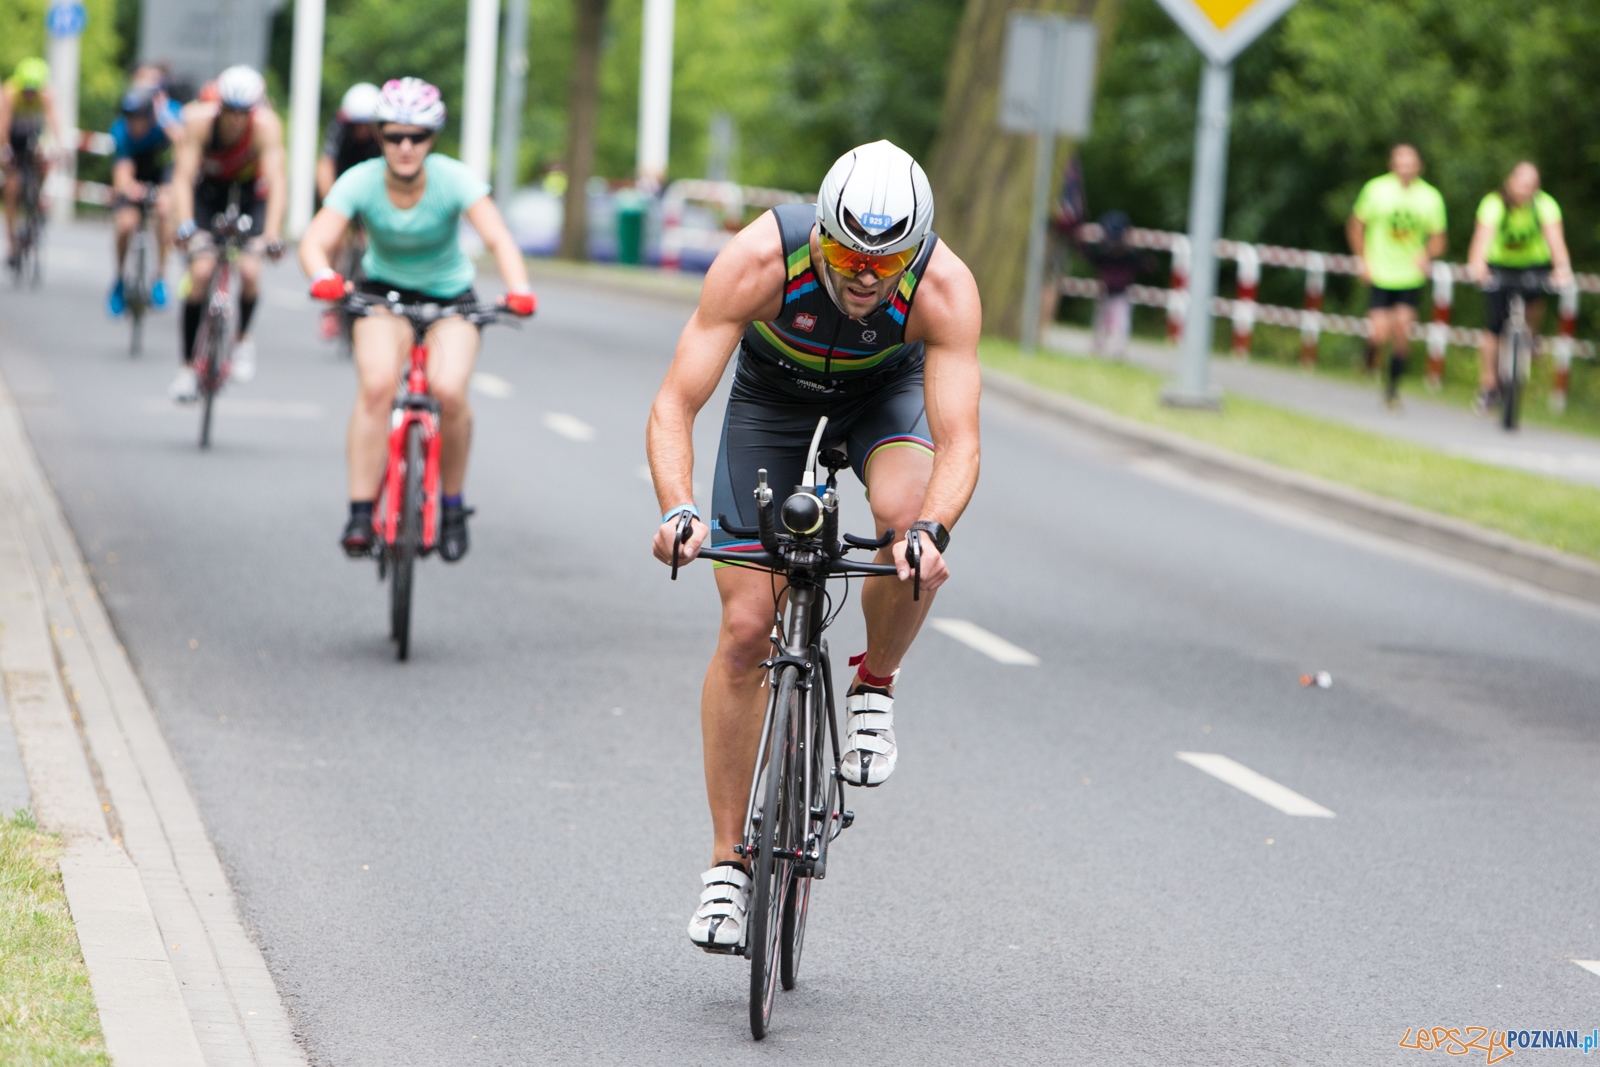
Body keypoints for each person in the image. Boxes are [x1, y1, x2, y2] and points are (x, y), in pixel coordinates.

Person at [645, 140, 982, 952]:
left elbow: (960, 438)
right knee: (744, 627)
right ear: (820, 233)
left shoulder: (942, 287)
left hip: (884, 393)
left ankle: (875, 684)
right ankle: (728, 869)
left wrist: (930, 534)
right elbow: (675, 403)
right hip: (774, 398)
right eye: (848, 253)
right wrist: (680, 509)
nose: (867, 276)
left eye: (887, 259)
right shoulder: (759, 259)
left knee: (906, 525)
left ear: (916, 249)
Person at [297, 77, 536, 563]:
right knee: (379, 386)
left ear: (432, 139)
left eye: (418, 136)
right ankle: (362, 513)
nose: (406, 146)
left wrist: (519, 288)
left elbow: (498, 238)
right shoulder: (360, 180)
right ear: (378, 135)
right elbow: (315, 239)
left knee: (448, 392)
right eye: (394, 135)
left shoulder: (453, 179)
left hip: (452, 301)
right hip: (382, 298)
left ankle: (451, 506)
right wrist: (322, 275)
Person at [169, 65, 286, 397]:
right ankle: (187, 369)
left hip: (249, 195)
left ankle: (243, 340)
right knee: (202, 271)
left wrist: (272, 235)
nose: (235, 120)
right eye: (229, 111)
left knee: (250, 271)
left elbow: (277, 182)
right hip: (209, 192)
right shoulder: (199, 122)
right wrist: (186, 223)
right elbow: (182, 177)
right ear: (219, 107)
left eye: (242, 113)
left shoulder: (266, 126)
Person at [1466, 161, 1574, 414]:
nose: (1526, 190)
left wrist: (1562, 267)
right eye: (1522, 183)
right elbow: (1481, 240)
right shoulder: (1494, 203)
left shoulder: (1544, 205)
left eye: (1532, 185)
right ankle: (1488, 385)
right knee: (1494, 325)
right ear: (1510, 181)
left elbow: (1556, 241)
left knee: (1535, 303)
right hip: (1500, 266)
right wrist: (1477, 266)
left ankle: (1531, 339)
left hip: (1532, 265)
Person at [1348, 144, 1447, 407]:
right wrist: (1362, 260)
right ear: (1392, 164)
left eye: (1410, 162)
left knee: (1402, 331)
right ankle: (1370, 355)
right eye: (1401, 161)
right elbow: (1355, 226)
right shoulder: (1376, 189)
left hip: (1409, 276)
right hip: (1380, 272)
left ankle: (1392, 390)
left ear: (1419, 166)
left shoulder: (1430, 197)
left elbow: (1439, 239)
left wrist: (1426, 254)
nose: (1406, 167)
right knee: (1379, 333)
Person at [108, 85, 184, 314]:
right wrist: (129, 188)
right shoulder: (121, 132)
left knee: (164, 211)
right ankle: (120, 279)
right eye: (130, 119)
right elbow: (122, 172)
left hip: (163, 173)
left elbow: (185, 151)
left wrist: (168, 192)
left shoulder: (167, 120)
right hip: (136, 172)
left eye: (139, 119)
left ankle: (160, 276)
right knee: (125, 224)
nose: (135, 125)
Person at [1, 58, 62, 269]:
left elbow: (53, 122)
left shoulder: (46, 94)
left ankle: (38, 197)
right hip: (12, 139)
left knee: (44, 160)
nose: (29, 94)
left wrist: (57, 146)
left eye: (33, 90)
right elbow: (3, 126)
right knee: (12, 185)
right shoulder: (9, 94)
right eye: (26, 90)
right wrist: (6, 151)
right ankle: (12, 243)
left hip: (33, 135)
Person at [1080, 210, 1152, 359]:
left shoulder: (1128, 256)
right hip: (1107, 292)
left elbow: (1143, 265)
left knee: (1120, 322)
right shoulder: (1107, 254)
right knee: (1102, 321)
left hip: (1121, 294)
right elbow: (1092, 258)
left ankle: (1117, 349)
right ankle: (1099, 346)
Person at [317, 82, 383, 199]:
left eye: (366, 124)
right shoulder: (338, 128)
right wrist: (333, 203)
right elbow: (326, 165)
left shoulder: (385, 135)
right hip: (343, 182)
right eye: (356, 124)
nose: (361, 130)